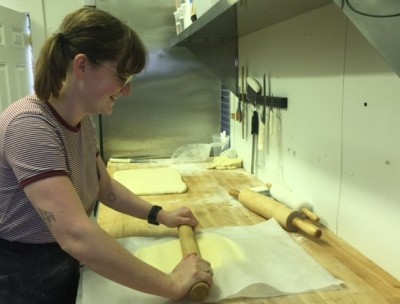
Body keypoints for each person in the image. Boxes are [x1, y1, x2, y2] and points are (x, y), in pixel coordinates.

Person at [0, 7, 213, 304]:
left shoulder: (82, 121)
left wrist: (160, 215)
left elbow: (104, 187)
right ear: (82, 66)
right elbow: (75, 234)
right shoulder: (30, 126)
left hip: (63, 263)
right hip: (25, 278)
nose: (127, 90)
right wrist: (172, 283)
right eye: (122, 75)